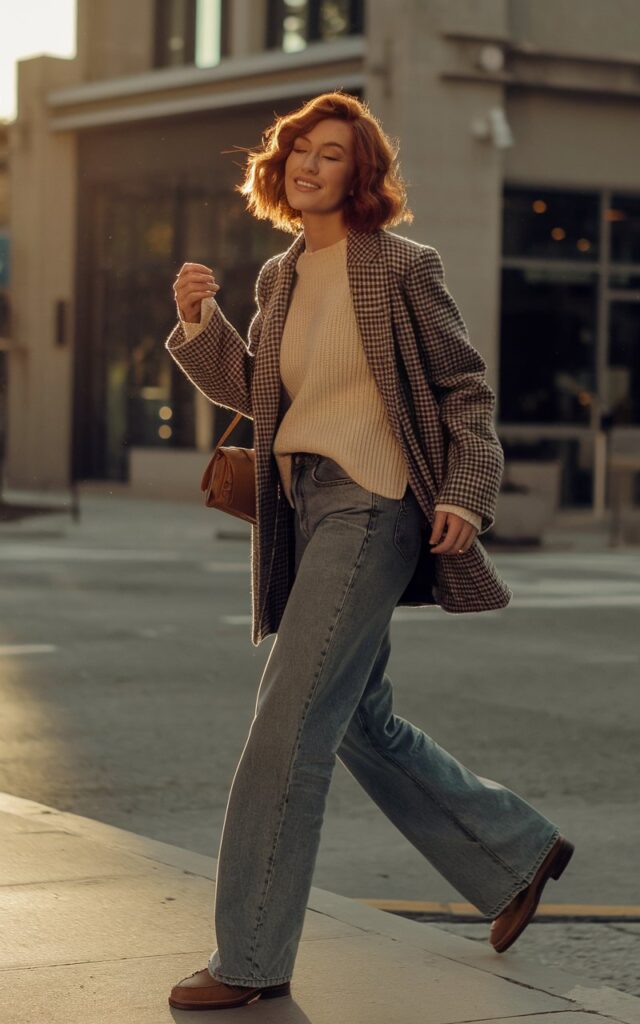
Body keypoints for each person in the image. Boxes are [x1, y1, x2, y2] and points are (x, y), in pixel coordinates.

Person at [165, 91, 574, 1012]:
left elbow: (465, 390)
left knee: (288, 725)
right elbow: (263, 395)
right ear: (281, 167)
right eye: (301, 150)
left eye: (334, 154)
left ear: (363, 174)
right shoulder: (278, 278)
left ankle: (250, 958)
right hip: (301, 508)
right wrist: (199, 325)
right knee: (352, 716)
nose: (311, 164)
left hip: (373, 503)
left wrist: (468, 494)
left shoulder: (400, 267)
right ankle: (516, 850)